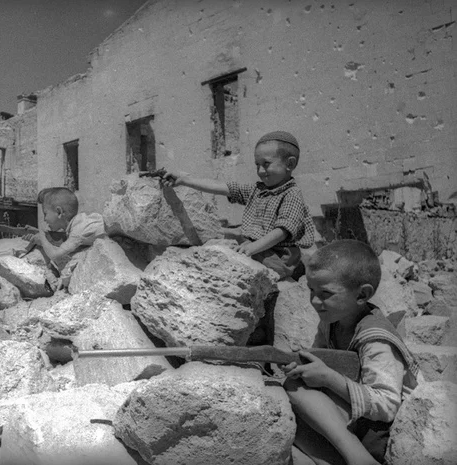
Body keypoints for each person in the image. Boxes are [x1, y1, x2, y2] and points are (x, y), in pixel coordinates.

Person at [282, 240, 421, 465]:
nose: (315, 301)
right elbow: (325, 359)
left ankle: (360, 459)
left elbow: (387, 406)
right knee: (287, 401)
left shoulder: (376, 338)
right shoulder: (331, 321)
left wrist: (327, 377)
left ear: (361, 295)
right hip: (356, 419)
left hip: (380, 431)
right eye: (311, 290)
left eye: (325, 293)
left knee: (295, 391)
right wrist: (303, 366)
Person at [164, 130, 315, 280]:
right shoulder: (259, 190)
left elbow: (281, 231)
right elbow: (225, 188)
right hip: (258, 247)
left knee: (227, 263)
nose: (260, 171)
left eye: (266, 164)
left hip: (278, 255)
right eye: (257, 165)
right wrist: (185, 180)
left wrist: (251, 248)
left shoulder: (292, 194)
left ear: (290, 164)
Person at [26, 186, 106, 278]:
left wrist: (42, 235)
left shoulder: (77, 232)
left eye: (45, 214)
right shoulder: (79, 224)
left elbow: (55, 256)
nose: (45, 219)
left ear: (59, 212)